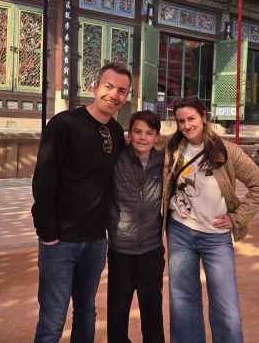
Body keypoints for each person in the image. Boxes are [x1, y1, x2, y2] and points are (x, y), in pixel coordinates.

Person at [31, 62, 131, 343]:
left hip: (96, 240)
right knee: (53, 316)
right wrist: (47, 233)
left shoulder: (115, 132)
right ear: (94, 87)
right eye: (108, 87)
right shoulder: (64, 124)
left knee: (87, 310)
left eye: (121, 91)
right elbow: (44, 180)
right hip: (61, 240)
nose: (114, 95)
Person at [163, 96, 259, 343]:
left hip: (216, 238)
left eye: (191, 119)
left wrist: (237, 218)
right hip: (181, 232)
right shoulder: (173, 148)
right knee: (182, 301)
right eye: (181, 121)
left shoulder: (227, 151)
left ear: (203, 117)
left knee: (226, 307)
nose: (187, 125)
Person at [107, 110, 165, 343]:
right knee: (118, 310)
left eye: (149, 133)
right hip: (121, 249)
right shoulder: (116, 159)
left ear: (157, 137)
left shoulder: (164, 162)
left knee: (152, 310)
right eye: (137, 131)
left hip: (151, 249)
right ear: (129, 134)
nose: (142, 137)